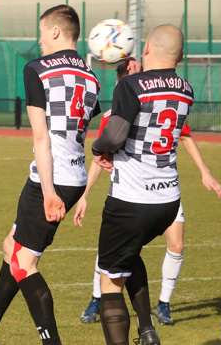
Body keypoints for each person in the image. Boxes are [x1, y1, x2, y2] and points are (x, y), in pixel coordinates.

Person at [0, 4, 101, 345]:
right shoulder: (91, 76)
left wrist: (47, 191)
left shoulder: (38, 69)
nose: (39, 39)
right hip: (73, 177)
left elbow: (41, 136)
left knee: (23, 262)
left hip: (51, 179)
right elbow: (86, 132)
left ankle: (51, 342)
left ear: (56, 32)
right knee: (11, 247)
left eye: (42, 32)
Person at [78, 59, 221, 327]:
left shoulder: (162, 101)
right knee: (115, 248)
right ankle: (97, 298)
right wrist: (85, 194)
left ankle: (163, 305)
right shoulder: (116, 114)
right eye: (133, 71)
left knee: (177, 244)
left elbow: (185, 135)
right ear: (123, 80)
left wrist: (205, 171)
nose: (140, 74)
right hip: (132, 193)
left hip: (166, 190)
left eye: (140, 69)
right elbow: (102, 155)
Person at [82, 24, 193, 345]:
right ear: (181, 57)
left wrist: (99, 149)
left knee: (110, 282)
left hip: (132, 199)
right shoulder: (186, 89)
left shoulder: (131, 85)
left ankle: (135, 335)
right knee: (130, 254)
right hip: (168, 202)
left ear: (145, 49)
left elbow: (114, 135)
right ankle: (146, 330)